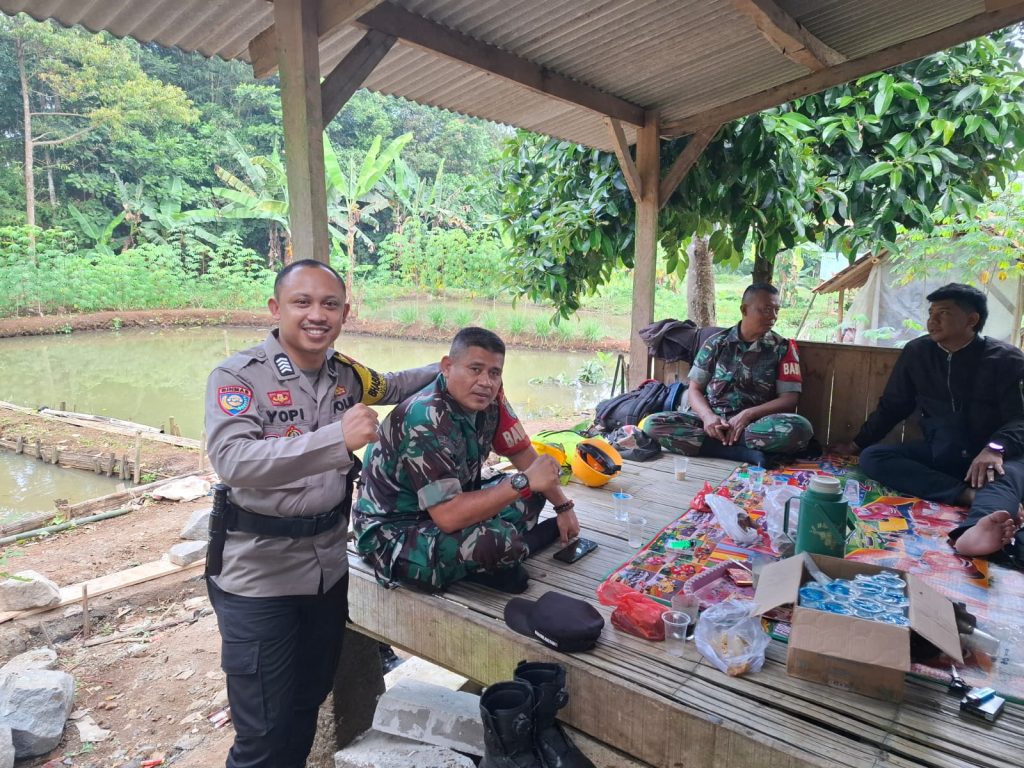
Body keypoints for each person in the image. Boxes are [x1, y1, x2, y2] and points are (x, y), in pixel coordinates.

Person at [204, 259, 438, 768]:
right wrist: (338, 439)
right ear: (276, 308)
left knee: (306, 707)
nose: (317, 314)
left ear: (345, 313)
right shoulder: (239, 377)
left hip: (327, 576)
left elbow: (395, 386)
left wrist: (452, 366)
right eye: (302, 302)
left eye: (329, 304)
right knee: (262, 735)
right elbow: (234, 460)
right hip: (259, 581)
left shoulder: (346, 376)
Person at [353, 327, 582, 594]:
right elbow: (449, 518)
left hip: (448, 506)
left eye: (494, 373)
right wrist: (524, 480)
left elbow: (521, 453)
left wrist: (563, 506)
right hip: (395, 532)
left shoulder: (490, 399)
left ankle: (489, 559)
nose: (486, 381)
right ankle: (514, 550)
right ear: (447, 367)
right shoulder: (424, 419)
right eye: (475, 369)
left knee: (534, 492)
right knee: (495, 540)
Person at [831, 283, 1024, 560]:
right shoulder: (917, 352)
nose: (932, 320)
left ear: (972, 320)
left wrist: (995, 447)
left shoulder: (1006, 360)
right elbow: (894, 405)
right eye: (931, 313)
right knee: (874, 457)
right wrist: (857, 443)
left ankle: (974, 532)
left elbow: (1020, 418)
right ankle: (966, 495)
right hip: (943, 451)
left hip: (996, 458)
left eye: (943, 313)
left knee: (1003, 481)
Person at [641, 283, 812, 465]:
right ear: (744, 309)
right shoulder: (716, 343)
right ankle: (743, 452)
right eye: (766, 309)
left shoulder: (783, 348)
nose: (773, 316)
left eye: (777, 310)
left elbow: (789, 399)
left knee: (801, 429)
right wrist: (708, 417)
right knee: (652, 424)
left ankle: (714, 446)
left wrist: (747, 415)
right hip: (711, 422)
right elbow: (695, 390)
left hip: (754, 425)